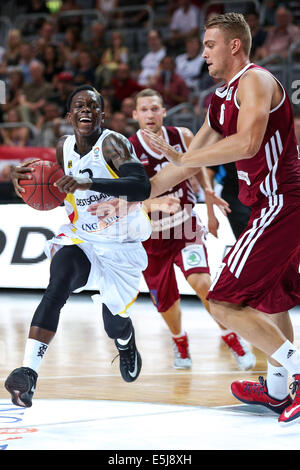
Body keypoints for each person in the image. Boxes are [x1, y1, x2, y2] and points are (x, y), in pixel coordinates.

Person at [142, 13, 300, 427]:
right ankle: (280, 389)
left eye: (209, 44)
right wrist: (135, 193)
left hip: (282, 200)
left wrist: (188, 157)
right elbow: (180, 168)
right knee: (273, 300)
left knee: (225, 301)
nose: (203, 53)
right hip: (268, 205)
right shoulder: (219, 99)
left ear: (234, 45)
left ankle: (297, 373)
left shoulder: (256, 81)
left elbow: (247, 142)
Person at [4, 84, 152, 408]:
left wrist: (91, 182)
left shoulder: (113, 143)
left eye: (93, 105)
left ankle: (126, 342)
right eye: (79, 105)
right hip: (81, 239)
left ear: (103, 113)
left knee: (114, 323)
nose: (86, 109)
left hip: (120, 250)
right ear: (69, 115)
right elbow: (56, 186)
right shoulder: (63, 147)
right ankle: (28, 372)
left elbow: (141, 186)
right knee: (57, 286)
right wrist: (18, 177)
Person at [127, 87, 256, 370]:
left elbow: (199, 166)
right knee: (166, 303)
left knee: (202, 284)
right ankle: (180, 342)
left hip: (185, 227)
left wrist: (208, 198)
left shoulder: (182, 136)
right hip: (150, 238)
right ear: (135, 115)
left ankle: (231, 337)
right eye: (144, 110)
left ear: (163, 111)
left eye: (154, 108)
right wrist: (157, 203)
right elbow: (128, 197)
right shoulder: (129, 149)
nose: (150, 114)